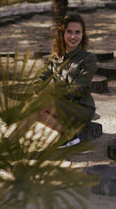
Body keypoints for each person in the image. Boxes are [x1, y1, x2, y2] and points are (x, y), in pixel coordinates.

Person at [35, 14, 97, 148]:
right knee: (33, 108)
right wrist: (39, 89)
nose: (73, 36)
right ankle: (11, 142)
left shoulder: (88, 59)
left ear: (83, 35)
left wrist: (51, 94)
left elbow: (78, 89)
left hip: (81, 108)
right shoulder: (55, 58)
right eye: (69, 32)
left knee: (41, 103)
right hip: (60, 105)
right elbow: (40, 78)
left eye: (77, 32)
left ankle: (68, 136)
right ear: (62, 34)